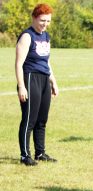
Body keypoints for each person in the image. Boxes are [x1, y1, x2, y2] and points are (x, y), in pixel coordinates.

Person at [15, 3, 59, 166]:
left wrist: (53, 81)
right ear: (34, 18)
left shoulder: (46, 36)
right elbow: (19, 64)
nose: (45, 24)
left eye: (48, 21)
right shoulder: (27, 36)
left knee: (42, 119)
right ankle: (25, 155)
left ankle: (40, 152)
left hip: (44, 79)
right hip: (30, 78)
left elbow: (47, 61)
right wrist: (21, 86)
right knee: (29, 119)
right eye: (42, 20)